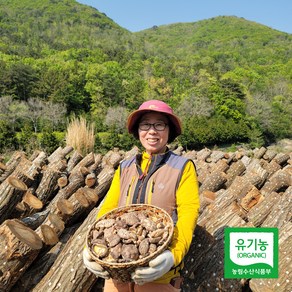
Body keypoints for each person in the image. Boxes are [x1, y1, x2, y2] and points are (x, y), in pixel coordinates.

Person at [83, 100, 200, 292]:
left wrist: (173, 255)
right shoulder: (125, 167)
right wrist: (91, 247)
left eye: (159, 124)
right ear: (138, 130)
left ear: (169, 130)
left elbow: (189, 214)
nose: (152, 131)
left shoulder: (182, 167)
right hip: (117, 272)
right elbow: (108, 210)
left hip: (160, 274)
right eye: (145, 124)